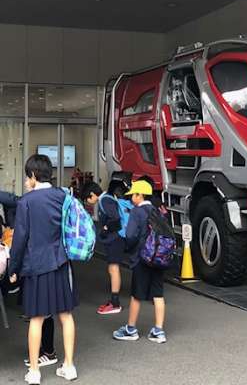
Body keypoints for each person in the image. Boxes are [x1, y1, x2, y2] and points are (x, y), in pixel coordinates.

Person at [9, 155, 78, 385]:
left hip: (36, 265)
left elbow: (19, 240)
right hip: (61, 262)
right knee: (66, 316)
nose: (26, 181)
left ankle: (35, 372)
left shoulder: (27, 202)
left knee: (36, 318)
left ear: (33, 175)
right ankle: (69, 366)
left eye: (27, 176)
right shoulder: (63, 195)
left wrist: (13, 268)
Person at [113, 180, 167, 344]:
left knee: (136, 294)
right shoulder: (157, 211)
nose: (131, 198)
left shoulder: (137, 212)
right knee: (158, 294)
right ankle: (158, 330)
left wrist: (128, 249)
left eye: (133, 195)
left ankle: (131, 329)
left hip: (142, 257)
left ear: (140, 195)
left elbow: (130, 235)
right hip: (158, 257)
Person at [82, 179, 127, 315]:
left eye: (86, 199)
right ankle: (114, 301)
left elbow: (115, 218)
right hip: (116, 238)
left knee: (113, 269)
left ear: (92, 194)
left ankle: (115, 303)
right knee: (113, 268)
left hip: (115, 239)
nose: (87, 202)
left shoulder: (104, 200)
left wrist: (105, 229)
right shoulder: (107, 198)